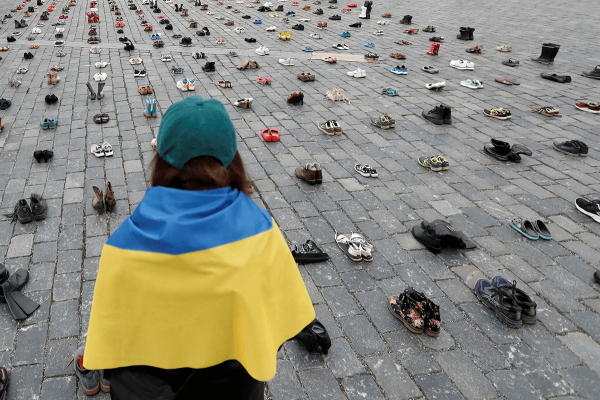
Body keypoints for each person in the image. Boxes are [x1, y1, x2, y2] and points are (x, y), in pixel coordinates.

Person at [83, 96, 316, 399]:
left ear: (163, 160)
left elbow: (113, 345)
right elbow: (279, 325)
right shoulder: (262, 231)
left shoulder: (123, 245)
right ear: (233, 159)